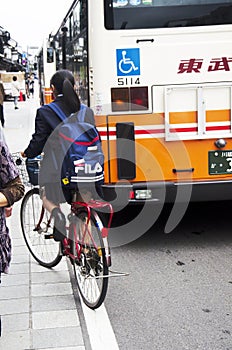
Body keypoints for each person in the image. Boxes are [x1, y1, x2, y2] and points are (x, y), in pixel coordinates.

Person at [21, 69, 96, 241]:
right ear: (74, 86)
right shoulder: (86, 111)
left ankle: (58, 216)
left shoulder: (45, 111)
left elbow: (39, 141)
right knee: (82, 207)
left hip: (59, 169)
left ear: (53, 88)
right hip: (87, 167)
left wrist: (28, 152)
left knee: (45, 195)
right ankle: (90, 253)